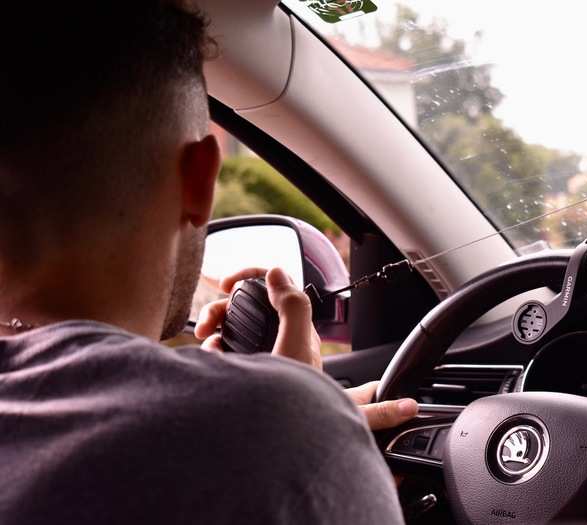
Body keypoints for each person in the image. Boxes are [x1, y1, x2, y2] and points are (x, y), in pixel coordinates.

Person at [0, 2, 417, 524]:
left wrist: (285, 427)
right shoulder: (273, 439)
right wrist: (302, 435)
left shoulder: (264, 435)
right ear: (198, 178)